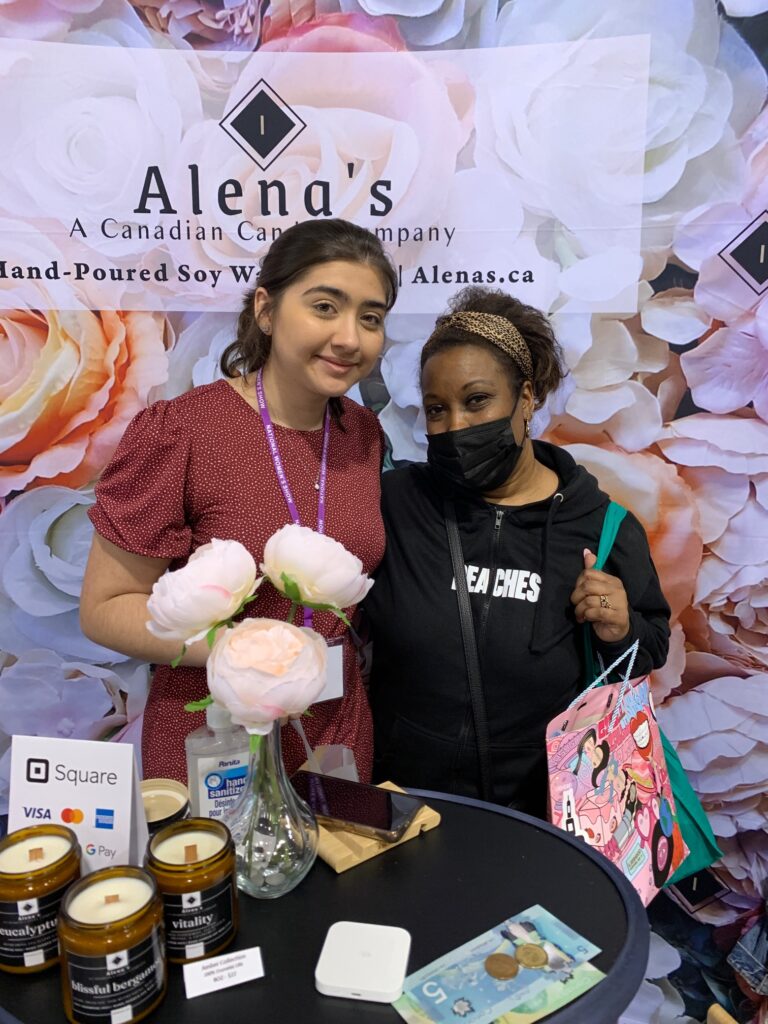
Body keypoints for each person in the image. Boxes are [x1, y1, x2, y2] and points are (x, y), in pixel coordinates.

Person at [80, 218, 398, 784]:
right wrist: (255, 655)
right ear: (267, 310)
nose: (350, 337)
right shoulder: (183, 431)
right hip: (211, 740)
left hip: (334, 733)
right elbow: (105, 609)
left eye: (370, 318)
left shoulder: (364, 435)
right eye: (325, 307)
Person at [364, 286, 670, 816]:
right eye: (437, 409)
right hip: (402, 808)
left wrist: (621, 628)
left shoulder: (603, 527)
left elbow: (649, 648)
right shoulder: (396, 504)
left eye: (477, 400)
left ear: (526, 398)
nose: (456, 426)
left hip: (541, 816)